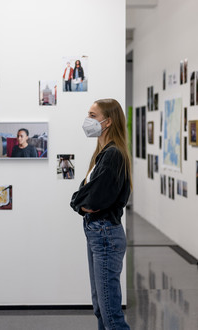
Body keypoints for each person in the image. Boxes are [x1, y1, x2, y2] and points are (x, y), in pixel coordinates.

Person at [70, 99, 132, 330]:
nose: (88, 120)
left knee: (110, 312)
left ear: (108, 121)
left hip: (105, 232)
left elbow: (94, 199)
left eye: (92, 115)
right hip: (97, 231)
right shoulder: (103, 153)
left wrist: (79, 201)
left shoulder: (113, 154)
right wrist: (80, 202)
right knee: (100, 307)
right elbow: (83, 195)